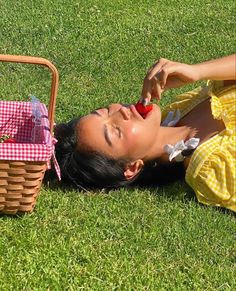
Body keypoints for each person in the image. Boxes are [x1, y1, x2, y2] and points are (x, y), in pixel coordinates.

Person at [53, 54, 236, 212]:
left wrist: (198, 71)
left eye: (106, 110)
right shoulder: (210, 166)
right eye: (116, 131)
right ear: (132, 167)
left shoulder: (181, 110)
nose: (122, 111)